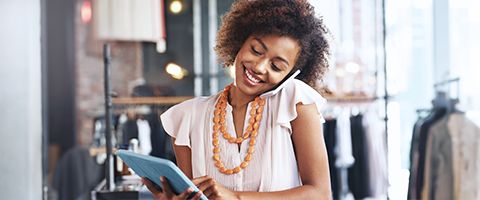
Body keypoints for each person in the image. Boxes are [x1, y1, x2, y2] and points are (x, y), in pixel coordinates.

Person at [143, 0, 332, 199]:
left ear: (289, 75)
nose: (259, 67)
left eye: (276, 66)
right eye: (256, 50)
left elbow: (320, 193)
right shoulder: (188, 116)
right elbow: (194, 195)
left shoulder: (295, 102)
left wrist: (236, 197)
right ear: (240, 41)